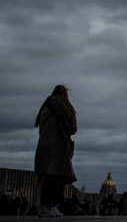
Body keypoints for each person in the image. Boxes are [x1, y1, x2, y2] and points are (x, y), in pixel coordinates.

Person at [34, 85, 77, 218]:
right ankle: (50, 206)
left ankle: (45, 206)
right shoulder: (66, 107)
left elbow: (40, 124)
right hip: (59, 145)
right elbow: (73, 128)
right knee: (59, 177)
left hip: (44, 144)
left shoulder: (45, 107)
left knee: (47, 176)